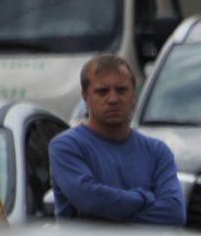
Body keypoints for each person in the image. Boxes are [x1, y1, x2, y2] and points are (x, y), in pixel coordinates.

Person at [48, 55, 186, 225]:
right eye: (102, 92)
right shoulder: (66, 147)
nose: (113, 99)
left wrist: (100, 218)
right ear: (85, 97)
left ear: (133, 95)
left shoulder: (157, 151)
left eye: (121, 90)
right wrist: (144, 198)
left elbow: (174, 213)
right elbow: (89, 200)